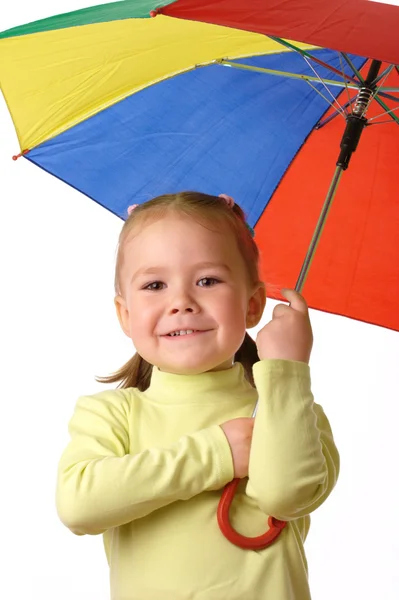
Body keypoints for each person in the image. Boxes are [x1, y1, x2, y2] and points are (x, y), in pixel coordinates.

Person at [56, 191, 339, 600]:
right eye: (155, 284)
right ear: (125, 314)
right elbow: (79, 504)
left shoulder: (291, 410)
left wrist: (288, 373)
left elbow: (287, 495)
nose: (181, 302)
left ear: (253, 304)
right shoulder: (113, 414)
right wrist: (219, 452)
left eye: (207, 280)